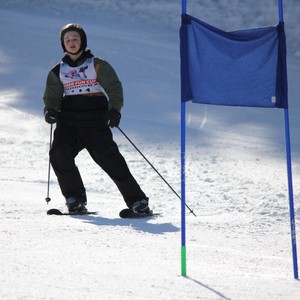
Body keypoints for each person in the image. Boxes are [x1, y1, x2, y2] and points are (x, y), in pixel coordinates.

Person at [43, 23, 150, 215]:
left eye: (75, 38)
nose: (72, 42)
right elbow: (52, 95)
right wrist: (50, 110)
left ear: (82, 41)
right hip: (68, 121)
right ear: (63, 44)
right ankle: (74, 199)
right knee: (59, 154)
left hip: (94, 121)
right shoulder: (58, 70)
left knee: (110, 160)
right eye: (67, 40)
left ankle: (138, 202)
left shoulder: (98, 64)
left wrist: (114, 109)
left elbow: (114, 87)